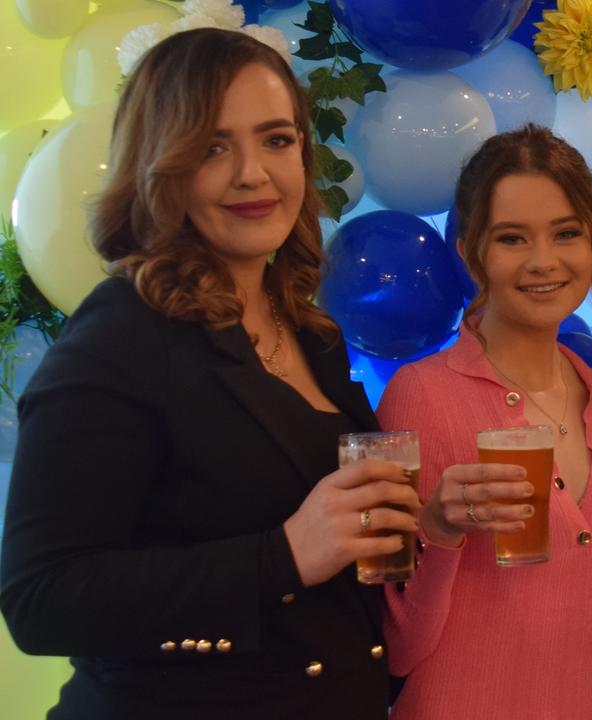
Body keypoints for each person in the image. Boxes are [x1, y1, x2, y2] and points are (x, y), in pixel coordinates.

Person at [0, 29, 421, 719]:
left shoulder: (309, 331)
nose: (252, 172)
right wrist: (281, 557)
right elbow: (40, 600)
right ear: (158, 165)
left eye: (277, 139)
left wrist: (430, 519)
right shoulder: (120, 333)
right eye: (212, 146)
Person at [376, 125, 592, 720]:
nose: (544, 261)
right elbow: (394, 649)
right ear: (470, 253)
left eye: (566, 234)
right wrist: (438, 532)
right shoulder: (416, 396)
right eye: (512, 238)